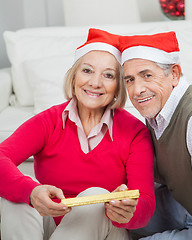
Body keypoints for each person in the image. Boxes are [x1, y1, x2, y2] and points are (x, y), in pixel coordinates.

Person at [0, 28, 155, 240]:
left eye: (108, 75)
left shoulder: (135, 132)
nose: (95, 82)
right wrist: (30, 191)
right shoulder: (48, 121)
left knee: (95, 195)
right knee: (16, 196)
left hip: (106, 231)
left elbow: (145, 201)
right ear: (74, 77)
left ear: (118, 86)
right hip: (53, 227)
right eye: (87, 71)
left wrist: (127, 210)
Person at [119, 31, 192, 240]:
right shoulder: (158, 109)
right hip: (184, 204)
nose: (137, 89)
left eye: (146, 75)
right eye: (129, 80)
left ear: (174, 74)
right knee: (117, 215)